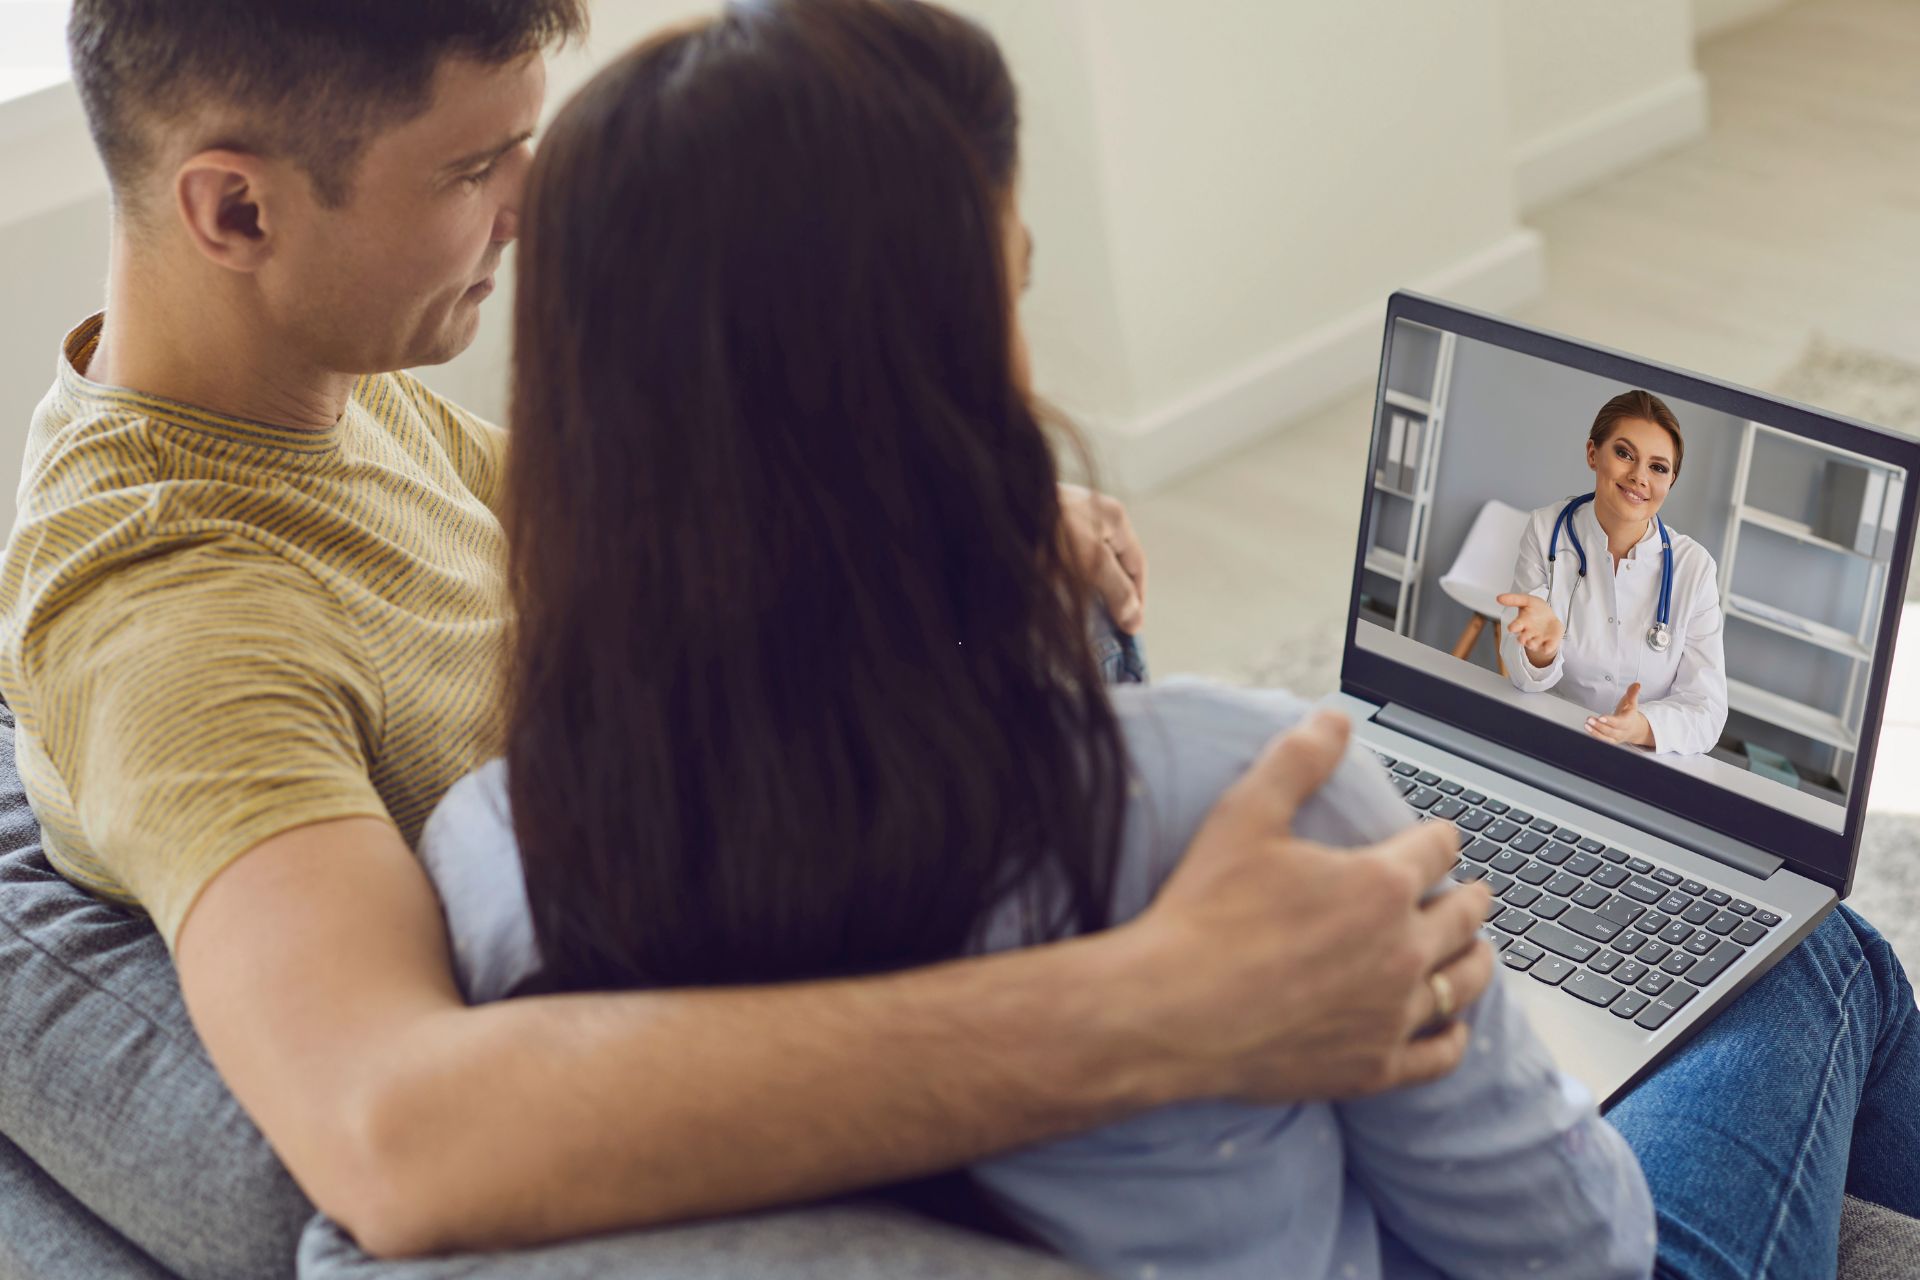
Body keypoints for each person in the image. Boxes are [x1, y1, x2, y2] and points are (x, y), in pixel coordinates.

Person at [414, 5, 1920, 1278]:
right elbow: (1576, 1250)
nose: (1637, 486)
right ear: (943, 361)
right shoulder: (1243, 792)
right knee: (1814, 958)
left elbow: (1698, 703)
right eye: (1007, 284)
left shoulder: (493, 856)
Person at [0, 0, 1494, 1266]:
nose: (530, 207)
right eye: (473, 167)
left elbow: (678, 543)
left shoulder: (319, 383)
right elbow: (394, 1132)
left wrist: (961, 508)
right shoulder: (170, 616)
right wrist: (1171, 1009)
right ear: (237, 209)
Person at [1496, 390, 1730, 755]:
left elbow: (1706, 710)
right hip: (1548, 742)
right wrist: (1540, 652)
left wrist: (1642, 727)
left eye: (1658, 467)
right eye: (1624, 454)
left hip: (1640, 760)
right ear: (1593, 454)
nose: (1639, 477)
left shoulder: (1694, 569)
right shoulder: (1546, 529)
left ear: (1670, 481)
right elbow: (1520, 673)